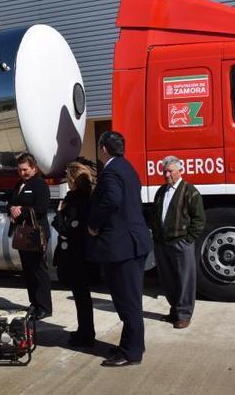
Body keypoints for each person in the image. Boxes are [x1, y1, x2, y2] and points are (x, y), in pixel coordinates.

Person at [87, 131, 152, 367]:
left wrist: (94, 224)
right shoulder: (127, 168)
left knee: (127, 302)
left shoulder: (111, 171)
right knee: (131, 299)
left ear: (104, 148)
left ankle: (131, 353)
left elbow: (112, 200)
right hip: (133, 242)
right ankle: (133, 344)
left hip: (122, 246)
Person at [150, 155, 205, 329]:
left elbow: (199, 219)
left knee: (185, 280)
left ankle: (184, 314)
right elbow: (155, 214)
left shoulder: (190, 191)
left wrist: (188, 239)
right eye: (164, 171)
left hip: (181, 243)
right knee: (168, 280)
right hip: (162, 243)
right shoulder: (161, 191)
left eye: (170, 171)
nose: (167, 174)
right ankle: (174, 310)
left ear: (180, 171)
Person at [53, 161, 95, 347]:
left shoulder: (74, 201)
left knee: (81, 296)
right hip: (82, 254)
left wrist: (59, 213)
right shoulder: (88, 198)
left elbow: (65, 228)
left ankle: (86, 333)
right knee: (82, 296)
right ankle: (85, 330)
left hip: (75, 255)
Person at [7, 152, 53, 320]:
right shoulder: (19, 184)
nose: (22, 173)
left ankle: (44, 307)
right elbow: (10, 202)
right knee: (28, 271)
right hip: (22, 233)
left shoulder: (40, 184)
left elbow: (42, 207)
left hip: (35, 233)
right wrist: (11, 209)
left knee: (38, 270)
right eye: (19, 170)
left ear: (34, 168)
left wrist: (22, 210)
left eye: (25, 169)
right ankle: (34, 303)